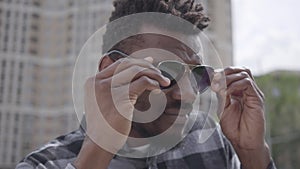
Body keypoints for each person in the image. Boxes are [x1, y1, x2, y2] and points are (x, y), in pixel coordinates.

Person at [16, 0, 276, 169]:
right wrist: (98, 151)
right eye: (168, 72)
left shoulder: (210, 143)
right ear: (110, 69)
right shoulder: (48, 163)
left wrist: (252, 152)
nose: (187, 95)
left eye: (199, 76)